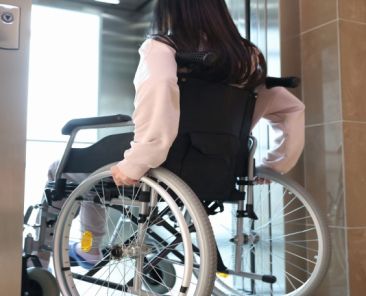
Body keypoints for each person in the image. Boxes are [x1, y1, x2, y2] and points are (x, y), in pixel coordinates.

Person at [47, 0, 305, 267]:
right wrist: (275, 165)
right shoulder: (246, 60)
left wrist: (136, 163)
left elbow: (160, 91)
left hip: (164, 164)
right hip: (219, 167)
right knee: (93, 179)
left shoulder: (163, 47)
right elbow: (292, 109)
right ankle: (88, 247)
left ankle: (78, 249)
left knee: (64, 170)